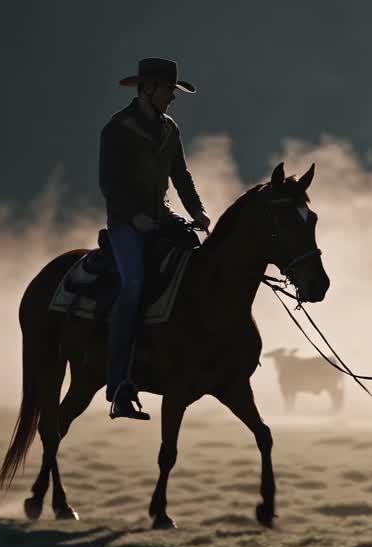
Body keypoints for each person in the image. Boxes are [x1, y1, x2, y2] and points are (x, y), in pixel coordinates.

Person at [98, 57, 212, 420]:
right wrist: (135, 218)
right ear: (148, 89)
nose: (172, 98)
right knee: (132, 284)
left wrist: (196, 211)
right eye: (168, 90)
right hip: (125, 224)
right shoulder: (117, 128)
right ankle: (118, 385)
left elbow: (181, 174)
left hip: (160, 218)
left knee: (199, 266)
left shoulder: (169, 129)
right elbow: (110, 185)